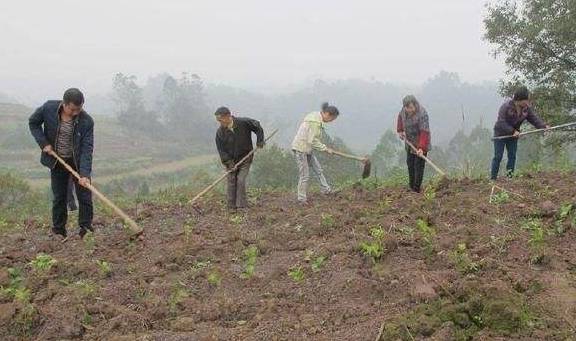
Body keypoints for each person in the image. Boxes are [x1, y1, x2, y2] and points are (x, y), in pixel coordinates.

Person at [28, 88, 94, 239]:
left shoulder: (86, 121)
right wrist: (43, 143)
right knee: (59, 196)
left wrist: (84, 175)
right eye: (73, 109)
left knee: (84, 195)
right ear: (64, 104)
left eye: (79, 109)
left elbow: (87, 149)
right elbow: (33, 123)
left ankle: (85, 228)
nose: (76, 112)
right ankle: (59, 231)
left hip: (76, 162)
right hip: (57, 161)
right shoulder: (48, 108)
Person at [491, 86, 549, 180]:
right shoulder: (506, 107)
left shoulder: (526, 109)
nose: (527, 102)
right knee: (498, 156)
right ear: (519, 99)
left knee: (512, 156)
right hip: (500, 135)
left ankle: (509, 177)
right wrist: (512, 131)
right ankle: (493, 179)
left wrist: (543, 126)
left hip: (514, 136)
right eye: (526, 100)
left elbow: (533, 119)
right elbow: (500, 122)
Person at [214, 107, 265, 211]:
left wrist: (260, 140)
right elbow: (221, 150)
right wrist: (229, 162)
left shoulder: (243, 122)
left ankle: (241, 206)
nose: (219, 122)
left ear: (228, 116)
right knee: (231, 180)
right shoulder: (220, 133)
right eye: (218, 120)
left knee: (241, 180)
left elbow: (257, 126)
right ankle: (231, 207)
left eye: (220, 120)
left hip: (246, 157)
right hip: (231, 160)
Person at [291, 102, 339, 204]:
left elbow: (312, 140)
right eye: (332, 119)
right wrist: (325, 148)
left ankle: (326, 190)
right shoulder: (315, 122)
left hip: (308, 149)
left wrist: (324, 148)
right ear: (327, 114)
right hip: (301, 149)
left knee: (318, 170)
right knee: (304, 174)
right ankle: (301, 199)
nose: (331, 121)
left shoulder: (316, 117)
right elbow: (311, 140)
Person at [396, 95, 431, 193]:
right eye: (407, 108)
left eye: (411, 108)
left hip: (421, 142)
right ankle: (411, 187)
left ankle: (416, 190)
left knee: (418, 166)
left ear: (415, 105)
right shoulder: (403, 111)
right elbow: (400, 118)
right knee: (410, 164)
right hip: (410, 142)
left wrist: (421, 148)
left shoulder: (422, 114)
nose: (409, 110)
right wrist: (400, 130)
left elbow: (424, 132)